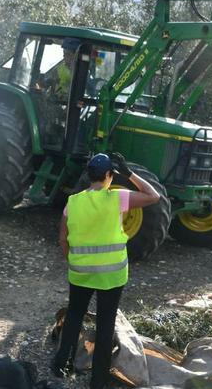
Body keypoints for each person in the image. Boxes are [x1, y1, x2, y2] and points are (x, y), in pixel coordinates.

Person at [52, 153, 160, 388]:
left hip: (80, 272)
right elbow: (154, 196)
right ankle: (98, 379)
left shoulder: (73, 202)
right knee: (105, 324)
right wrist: (130, 173)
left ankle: (61, 366)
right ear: (109, 175)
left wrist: (73, 261)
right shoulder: (117, 197)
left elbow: (62, 238)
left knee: (74, 316)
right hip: (111, 275)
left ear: (89, 175)